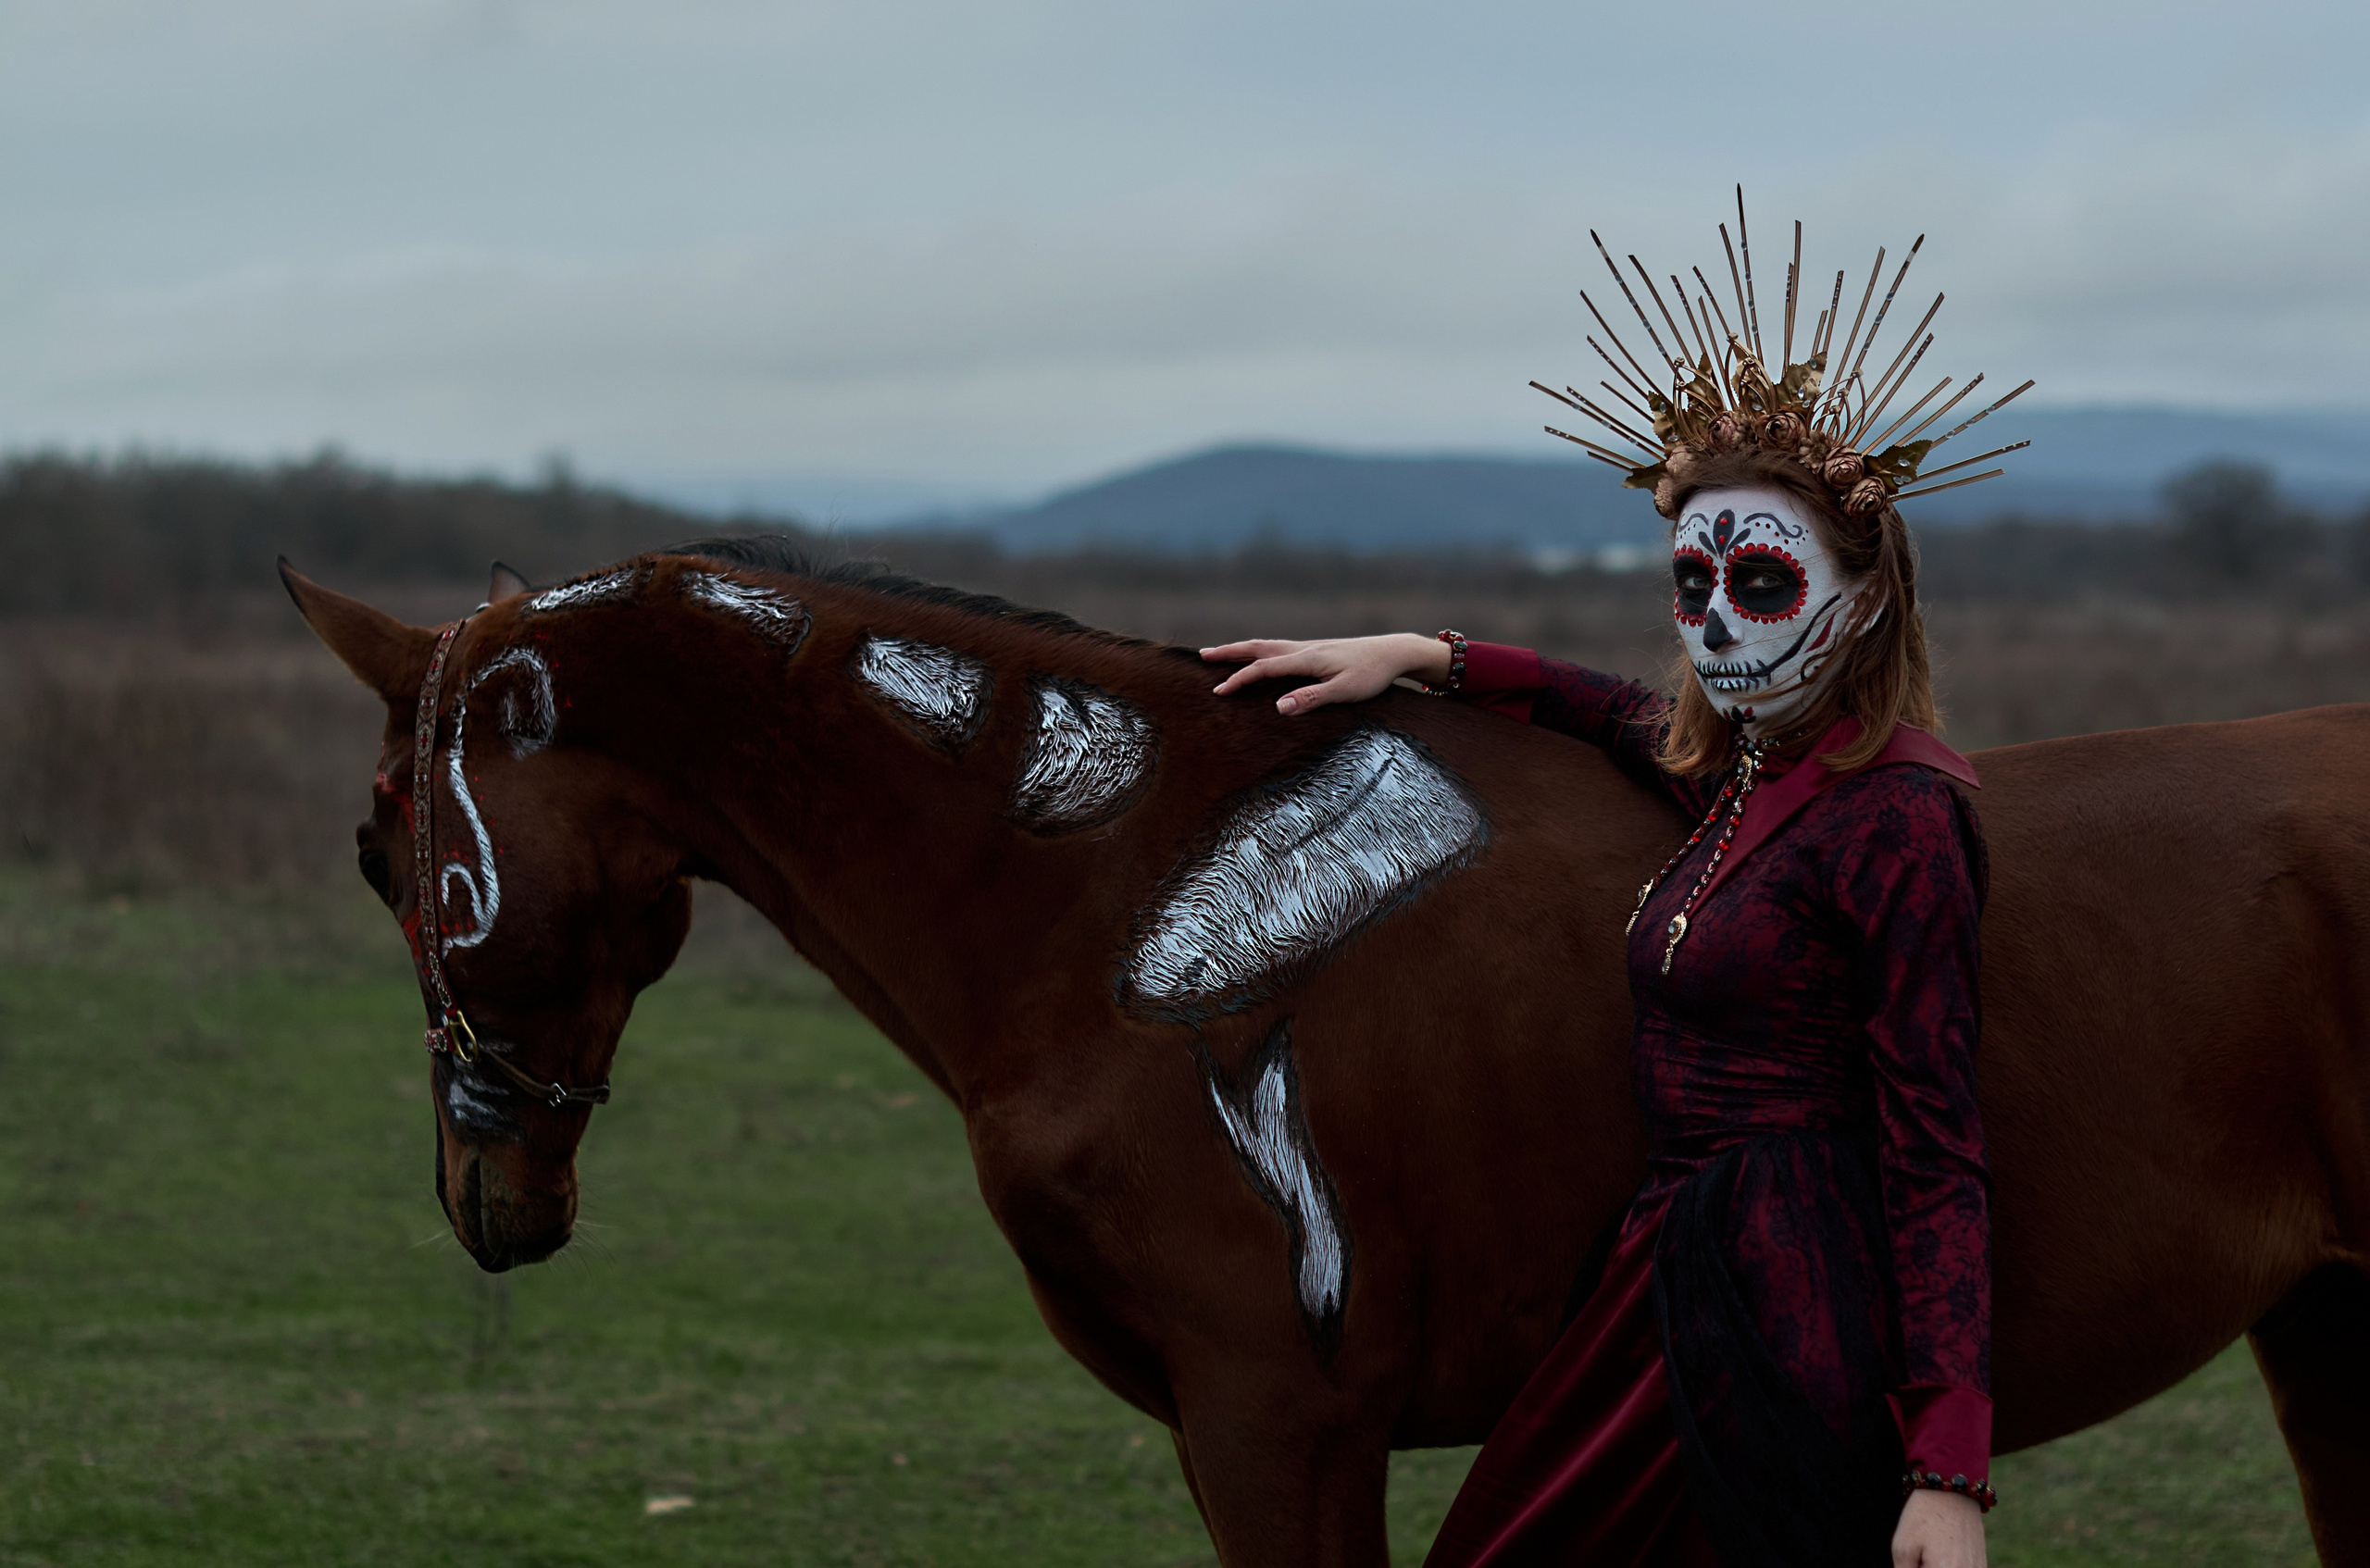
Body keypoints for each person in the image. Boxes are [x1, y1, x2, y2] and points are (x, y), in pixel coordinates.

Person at [1204, 211, 2028, 1568]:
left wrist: (1948, 1467)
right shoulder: (1755, 778)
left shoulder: (1898, 818)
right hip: (1662, 1271)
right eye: (1691, 578)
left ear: (1866, 598)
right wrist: (1422, 652)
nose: (1715, 617)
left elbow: (1936, 1148)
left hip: (1784, 1305)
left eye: (1762, 581)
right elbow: (1623, 714)